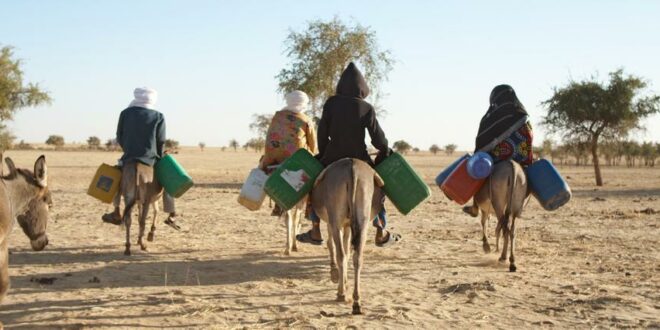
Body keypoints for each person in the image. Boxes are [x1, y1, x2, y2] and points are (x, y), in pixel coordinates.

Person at [296, 62, 401, 247]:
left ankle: (315, 227)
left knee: (312, 185)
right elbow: (379, 140)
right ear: (362, 88)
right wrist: (384, 150)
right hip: (360, 157)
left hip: (332, 156)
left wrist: (325, 152)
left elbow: (322, 133)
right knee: (379, 188)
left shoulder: (330, 103)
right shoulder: (367, 108)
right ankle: (380, 229)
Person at [101, 87, 182, 229]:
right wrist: (159, 155)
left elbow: (119, 136)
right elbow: (160, 140)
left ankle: (116, 210)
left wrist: (128, 150)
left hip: (129, 158)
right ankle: (171, 213)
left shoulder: (125, 113)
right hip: (150, 159)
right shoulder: (158, 116)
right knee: (168, 180)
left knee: (115, 178)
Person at [463, 84, 534, 217]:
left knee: (478, 168)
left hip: (498, 158)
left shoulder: (490, 118)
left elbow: (482, 141)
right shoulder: (523, 116)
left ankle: (475, 207)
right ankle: (522, 204)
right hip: (522, 158)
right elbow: (529, 138)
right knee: (532, 175)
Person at [260, 90, 317, 215]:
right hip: (296, 160)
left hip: (273, 158)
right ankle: (310, 209)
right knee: (316, 176)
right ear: (303, 103)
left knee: (261, 167)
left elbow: (269, 137)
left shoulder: (277, 116)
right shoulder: (305, 120)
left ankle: (277, 204)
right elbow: (313, 145)